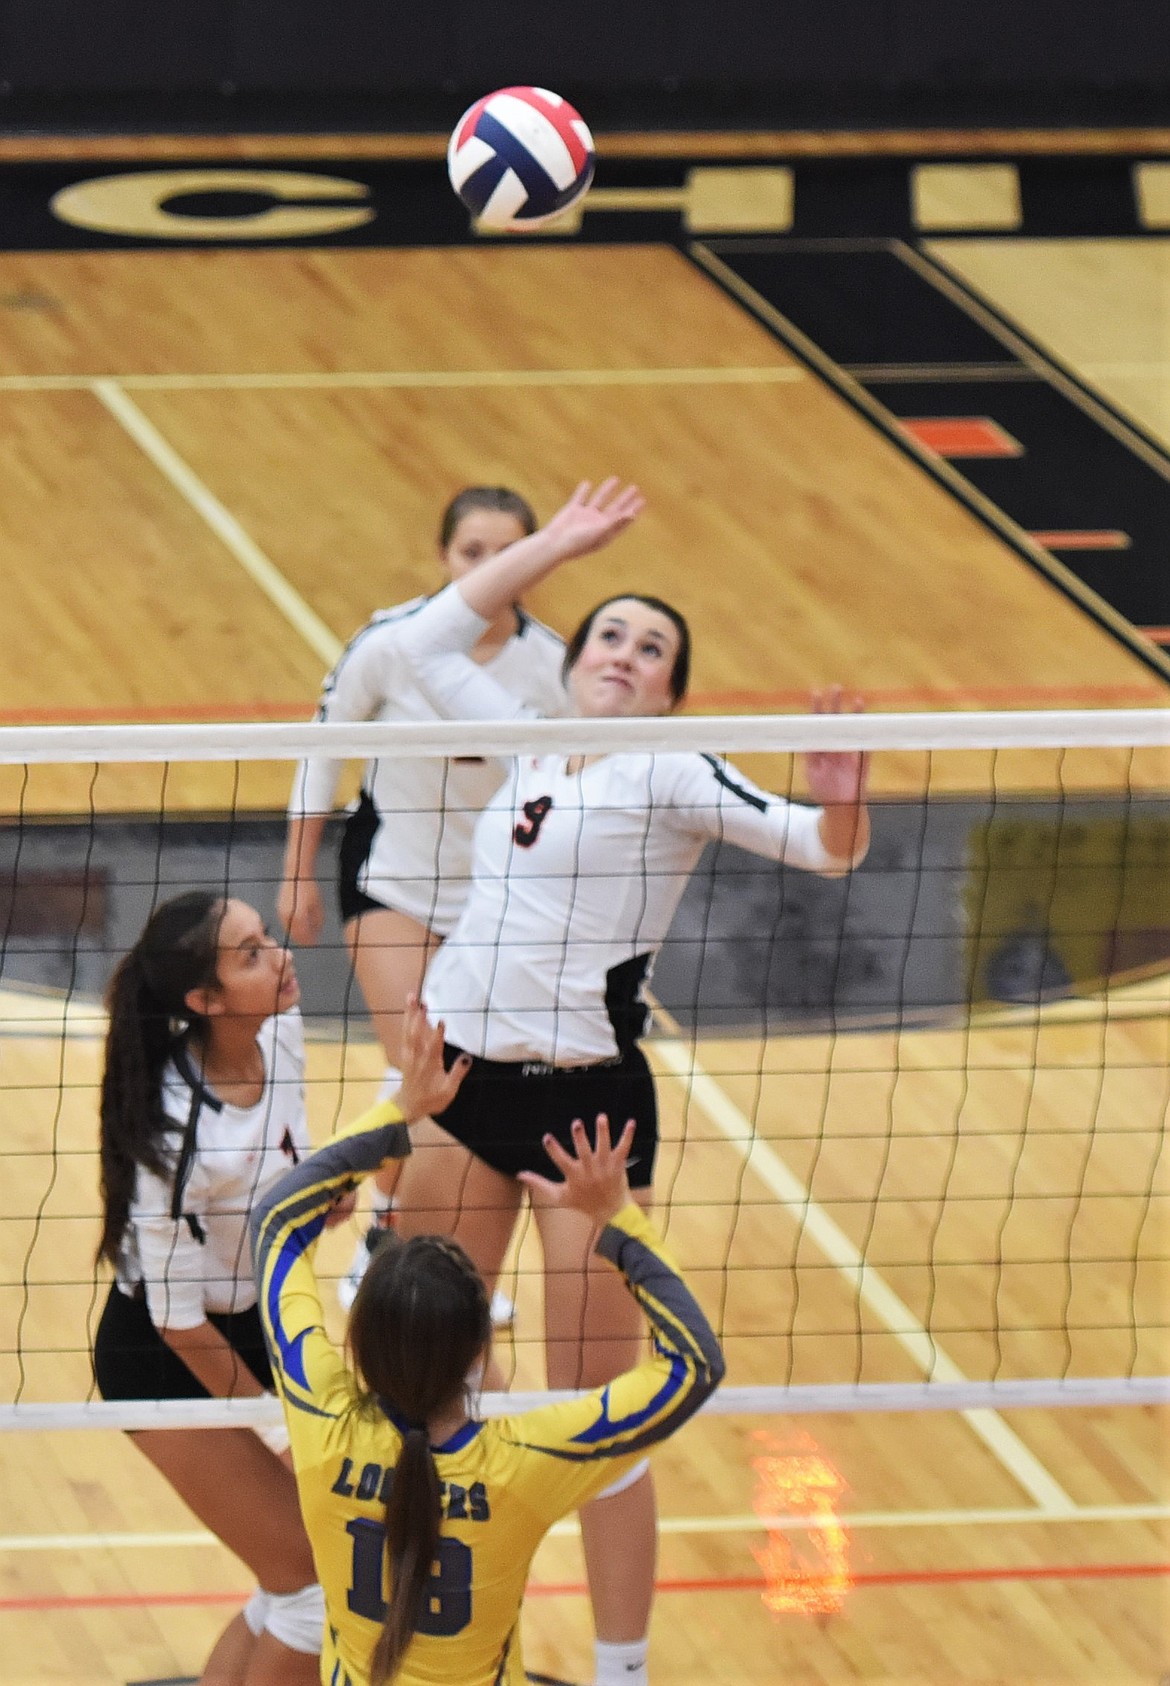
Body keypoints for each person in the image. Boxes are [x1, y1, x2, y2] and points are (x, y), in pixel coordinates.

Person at [386, 479, 871, 1686]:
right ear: (577, 655)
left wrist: (846, 802)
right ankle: (416, 1639)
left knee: (599, 1412)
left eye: (652, 647)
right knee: (418, 1379)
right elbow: (421, 639)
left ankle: (622, 1672)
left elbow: (818, 846)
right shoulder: (527, 740)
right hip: (458, 1090)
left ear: (669, 688)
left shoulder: (670, 771)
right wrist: (556, 544)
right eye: (610, 631)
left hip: (581, 1115)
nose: (626, 653)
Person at [249, 999, 724, 1686]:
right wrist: (616, 1218)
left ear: (355, 1347)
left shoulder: (320, 1416)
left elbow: (275, 1222)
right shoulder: (529, 1459)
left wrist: (399, 1111)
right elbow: (696, 1363)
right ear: (481, 1355)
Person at [277, 487, 567, 1313]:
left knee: (468, 1076)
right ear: (446, 556)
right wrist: (297, 871)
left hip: (497, 901)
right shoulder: (392, 642)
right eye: (472, 552)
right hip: (392, 879)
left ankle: (398, 1230)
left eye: (506, 554)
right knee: (423, 1061)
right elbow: (321, 750)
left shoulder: (552, 666)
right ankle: (381, 1232)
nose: (487, 568)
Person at [93, 891, 329, 1686]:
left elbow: (291, 1154)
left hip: (256, 1326)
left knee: (297, 1576)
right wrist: (283, 1430)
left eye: (267, 938)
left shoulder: (282, 1031)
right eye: (252, 953)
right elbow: (177, 1321)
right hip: (163, 1358)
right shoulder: (174, 1135)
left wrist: (321, 1192)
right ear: (204, 1001)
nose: (280, 955)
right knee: (318, 1593)